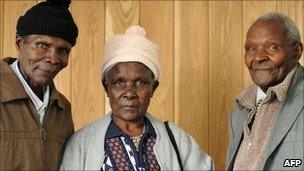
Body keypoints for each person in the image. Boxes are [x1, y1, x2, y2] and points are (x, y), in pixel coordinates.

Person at [60, 25, 213, 170]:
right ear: (107, 88)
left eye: (140, 82)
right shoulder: (82, 143)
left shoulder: (177, 140)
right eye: (119, 82)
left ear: (153, 88)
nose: (129, 92)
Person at [0, 0, 78, 170]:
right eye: (43, 45)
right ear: (20, 42)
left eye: (63, 50)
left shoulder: (62, 109)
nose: (54, 58)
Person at [226, 12, 303, 170]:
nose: (259, 57)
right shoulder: (238, 113)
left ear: (297, 52)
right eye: (251, 49)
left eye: (272, 47)